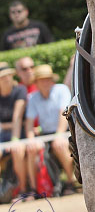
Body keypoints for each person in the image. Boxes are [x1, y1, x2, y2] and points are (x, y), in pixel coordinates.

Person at [24, 65, 76, 196]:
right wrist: (30, 139)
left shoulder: (61, 90)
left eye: (48, 79)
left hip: (65, 131)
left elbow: (63, 114)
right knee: (31, 149)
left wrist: (59, 135)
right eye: (42, 79)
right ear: (36, 83)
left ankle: (71, 183)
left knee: (59, 145)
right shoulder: (33, 97)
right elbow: (29, 123)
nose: (46, 82)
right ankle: (34, 189)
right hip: (45, 134)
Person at [0, 63, 30, 198]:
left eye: (8, 76)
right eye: (2, 77)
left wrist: (14, 139)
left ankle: (23, 189)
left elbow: (17, 117)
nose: (6, 79)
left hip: (19, 133)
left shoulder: (20, 90)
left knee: (17, 150)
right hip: (2, 135)